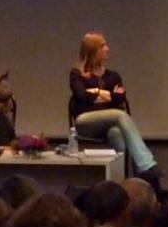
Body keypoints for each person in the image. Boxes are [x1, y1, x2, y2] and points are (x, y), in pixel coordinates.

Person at [69, 32, 161, 178]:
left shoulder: (113, 76)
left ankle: (121, 180)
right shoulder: (77, 74)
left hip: (108, 124)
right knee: (120, 115)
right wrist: (105, 94)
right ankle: (147, 165)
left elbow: (120, 98)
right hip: (85, 122)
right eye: (103, 46)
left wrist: (95, 93)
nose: (107, 49)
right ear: (92, 50)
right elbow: (81, 95)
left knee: (116, 133)